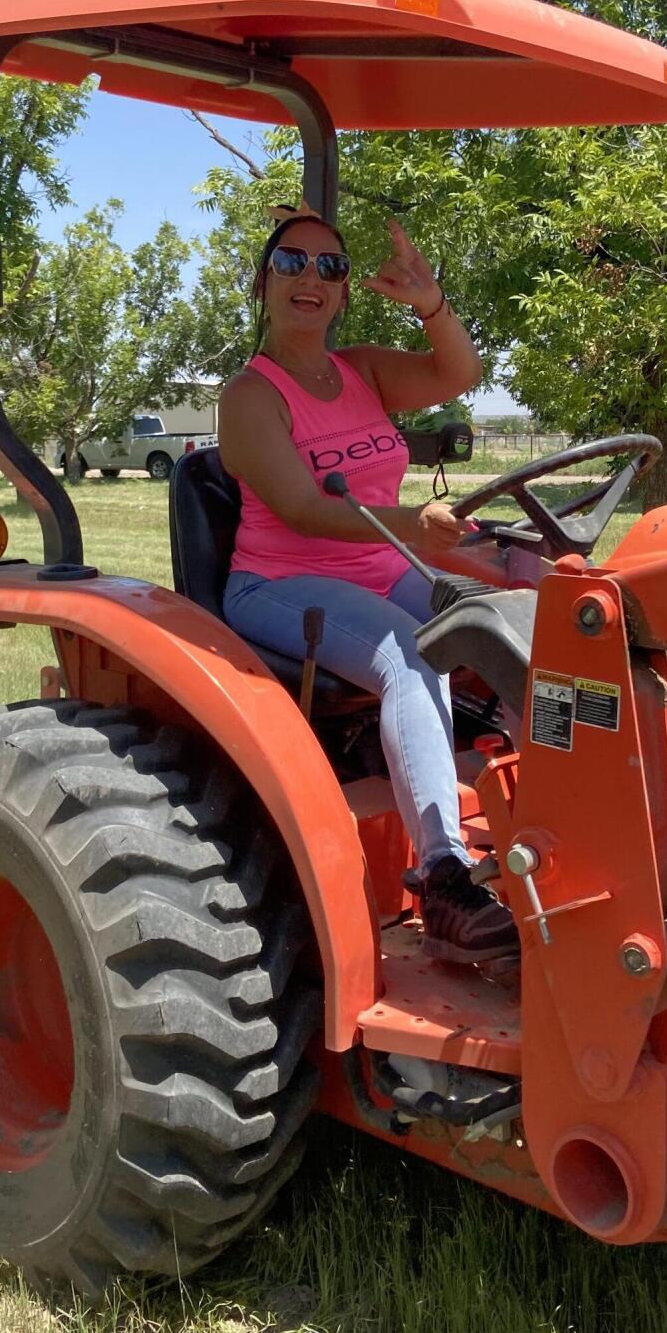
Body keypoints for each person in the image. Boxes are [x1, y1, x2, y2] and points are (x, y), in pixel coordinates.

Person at [217, 202, 518, 962]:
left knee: (511, 623)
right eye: (291, 263)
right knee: (410, 656)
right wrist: (415, 522)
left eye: (330, 266)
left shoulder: (362, 370)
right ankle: (444, 875)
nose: (310, 278)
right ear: (263, 283)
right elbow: (302, 509)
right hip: (283, 582)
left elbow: (459, 371)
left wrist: (431, 304)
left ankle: (568, 812)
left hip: (381, 566)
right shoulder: (249, 397)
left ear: (347, 290)